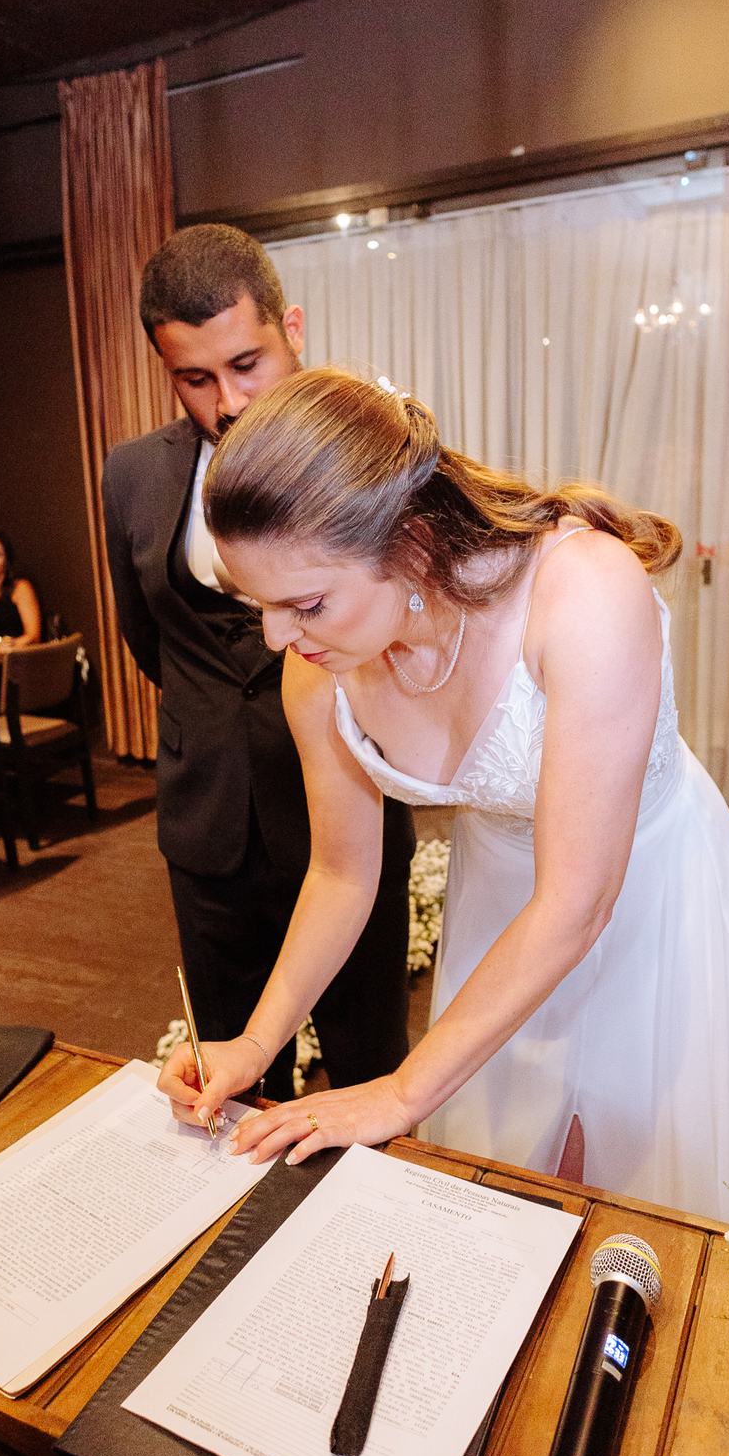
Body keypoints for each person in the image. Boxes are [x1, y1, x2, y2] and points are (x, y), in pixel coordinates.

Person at [159, 369, 729, 1227]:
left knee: (642, 1179)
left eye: (305, 603)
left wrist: (399, 1091)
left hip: (643, 886)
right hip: (502, 894)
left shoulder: (586, 596)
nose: (276, 638)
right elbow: (345, 876)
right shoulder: (314, 672)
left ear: (413, 547)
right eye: (260, 604)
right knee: (516, 1168)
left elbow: (577, 900)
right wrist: (257, 1042)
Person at [103, 225, 415, 1100]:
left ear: (296, 331)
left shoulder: (370, 454)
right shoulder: (130, 475)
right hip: (205, 820)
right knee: (232, 1073)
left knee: (368, 1061)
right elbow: (147, 638)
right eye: (194, 379)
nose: (228, 401)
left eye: (247, 363)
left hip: (343, 805)